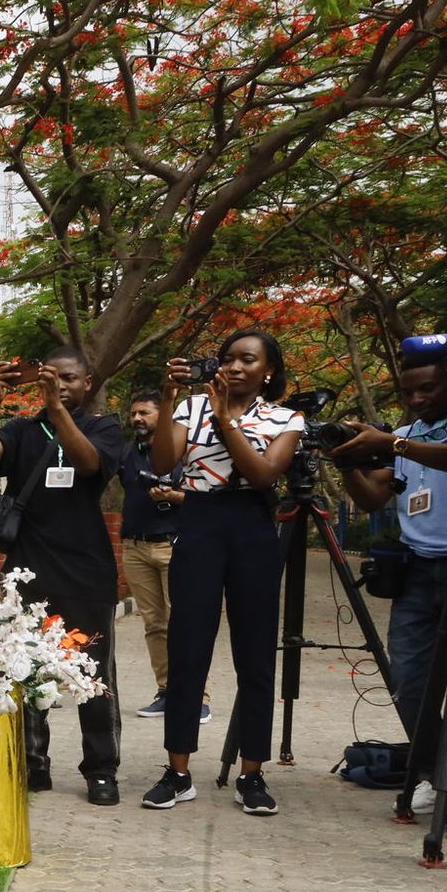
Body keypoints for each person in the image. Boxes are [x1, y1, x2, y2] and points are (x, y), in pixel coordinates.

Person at [143, 329, 304, 816]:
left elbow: (263, 474)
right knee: (187, 647)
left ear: (268, 371)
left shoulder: (286, 418)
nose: (234, 367)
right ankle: (177, 771)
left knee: (255, 653)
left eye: (247, 360)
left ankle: (252, 773)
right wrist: (169, 399)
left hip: (253, 526)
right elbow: (163, 461)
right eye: (228, 358)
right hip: (200, 521)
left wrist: (225, 420)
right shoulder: (190, 408)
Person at [0, 348, 127, 805]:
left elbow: (89, 464)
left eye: (70, 378)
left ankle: (101, 769)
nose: (60, 384)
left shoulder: (103, 426)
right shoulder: (23, 429)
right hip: (28, 570)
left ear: (87, 382)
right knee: (25, 670)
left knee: (93, 675)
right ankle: (33, 764)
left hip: (86, 572)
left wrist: (57, 409)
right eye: (52, 377)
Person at [336, 358, 447, 753]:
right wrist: (347, 465)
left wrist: (391, 444)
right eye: (408, 392)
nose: (417, 399)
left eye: (427, 388)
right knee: (408, 680)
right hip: (418, 571)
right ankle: (431, 767)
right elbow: (373, 499)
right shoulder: (405, 435)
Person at [117, 391, 198, 721]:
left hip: (174, 544)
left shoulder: (184, 451)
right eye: (133, 413)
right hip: (135, 547)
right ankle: (166, 691)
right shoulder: (127, 452)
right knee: (154, 624)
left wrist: (174, 496)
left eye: (145, 413)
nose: (137, 418)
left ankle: (195, 696)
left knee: (186, 623)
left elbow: (208, 502)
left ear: (163, 416)